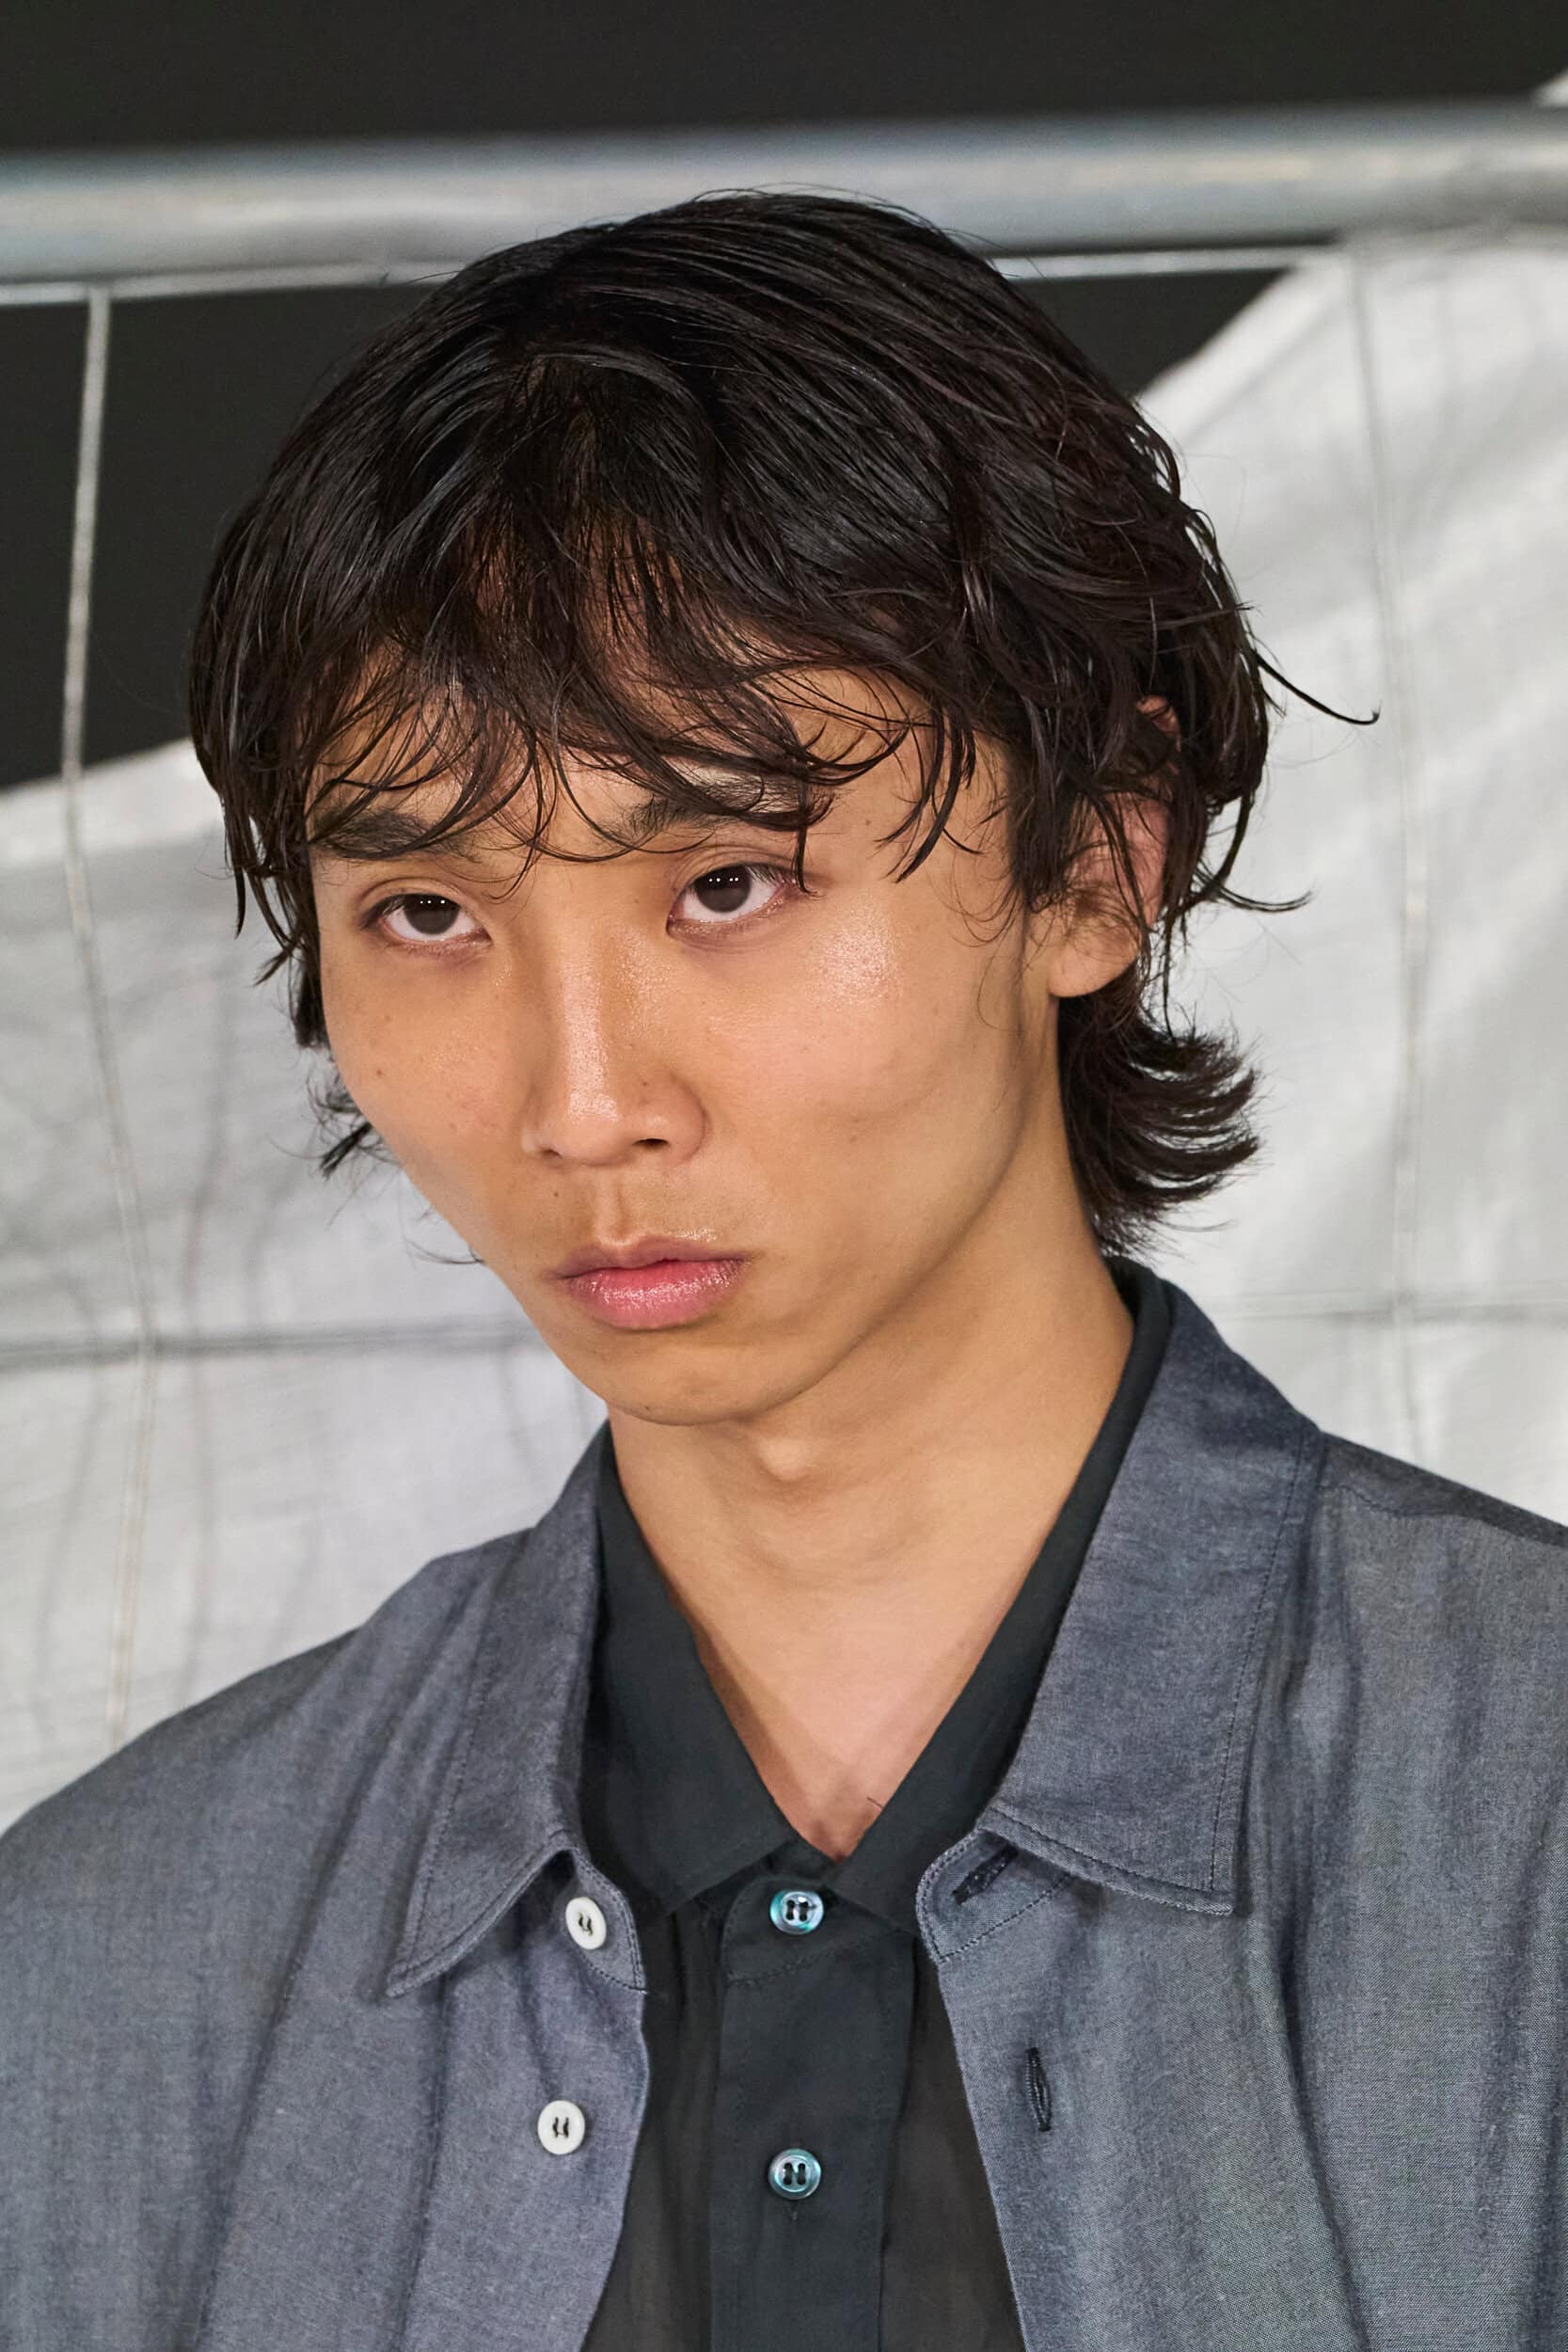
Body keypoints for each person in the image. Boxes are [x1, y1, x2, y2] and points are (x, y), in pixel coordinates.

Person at [3, 189, 1566, 2352]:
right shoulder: (104, 1963)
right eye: (430, 915)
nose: (581, 1103)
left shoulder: (1519, 1818)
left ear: (1097, 856)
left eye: (729, 879)